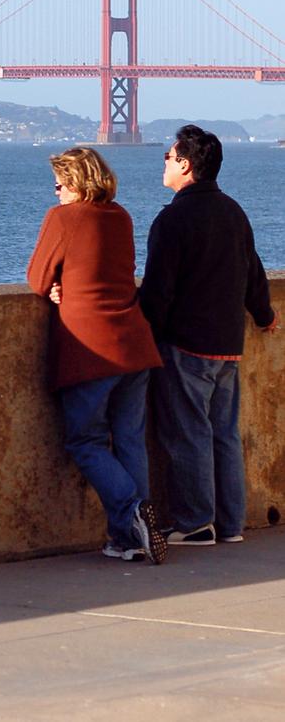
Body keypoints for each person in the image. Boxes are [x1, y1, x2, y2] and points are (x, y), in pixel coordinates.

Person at [139, 125, 278, 546]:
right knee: (224, 433)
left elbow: (157, 291)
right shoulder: (234, 212)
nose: (163, 162)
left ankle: (197, 522)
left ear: (185, 164)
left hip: (186, 345)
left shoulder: (173, 218)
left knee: (188, 434)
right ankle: (231, 524)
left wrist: (145, 335)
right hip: (227, 346)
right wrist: (264, 314)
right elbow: (252, 271)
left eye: (168, 156)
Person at [27, 147, 167, 564]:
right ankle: (129, 539)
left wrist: (53, 289)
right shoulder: (120, 216)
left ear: (76, 182)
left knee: (85, 440)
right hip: (134, 343)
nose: (55, 192)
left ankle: (132, 510)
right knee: (128, 440)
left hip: (91, 349)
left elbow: (37, 277)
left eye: (60, 183)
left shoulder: (63, 218)